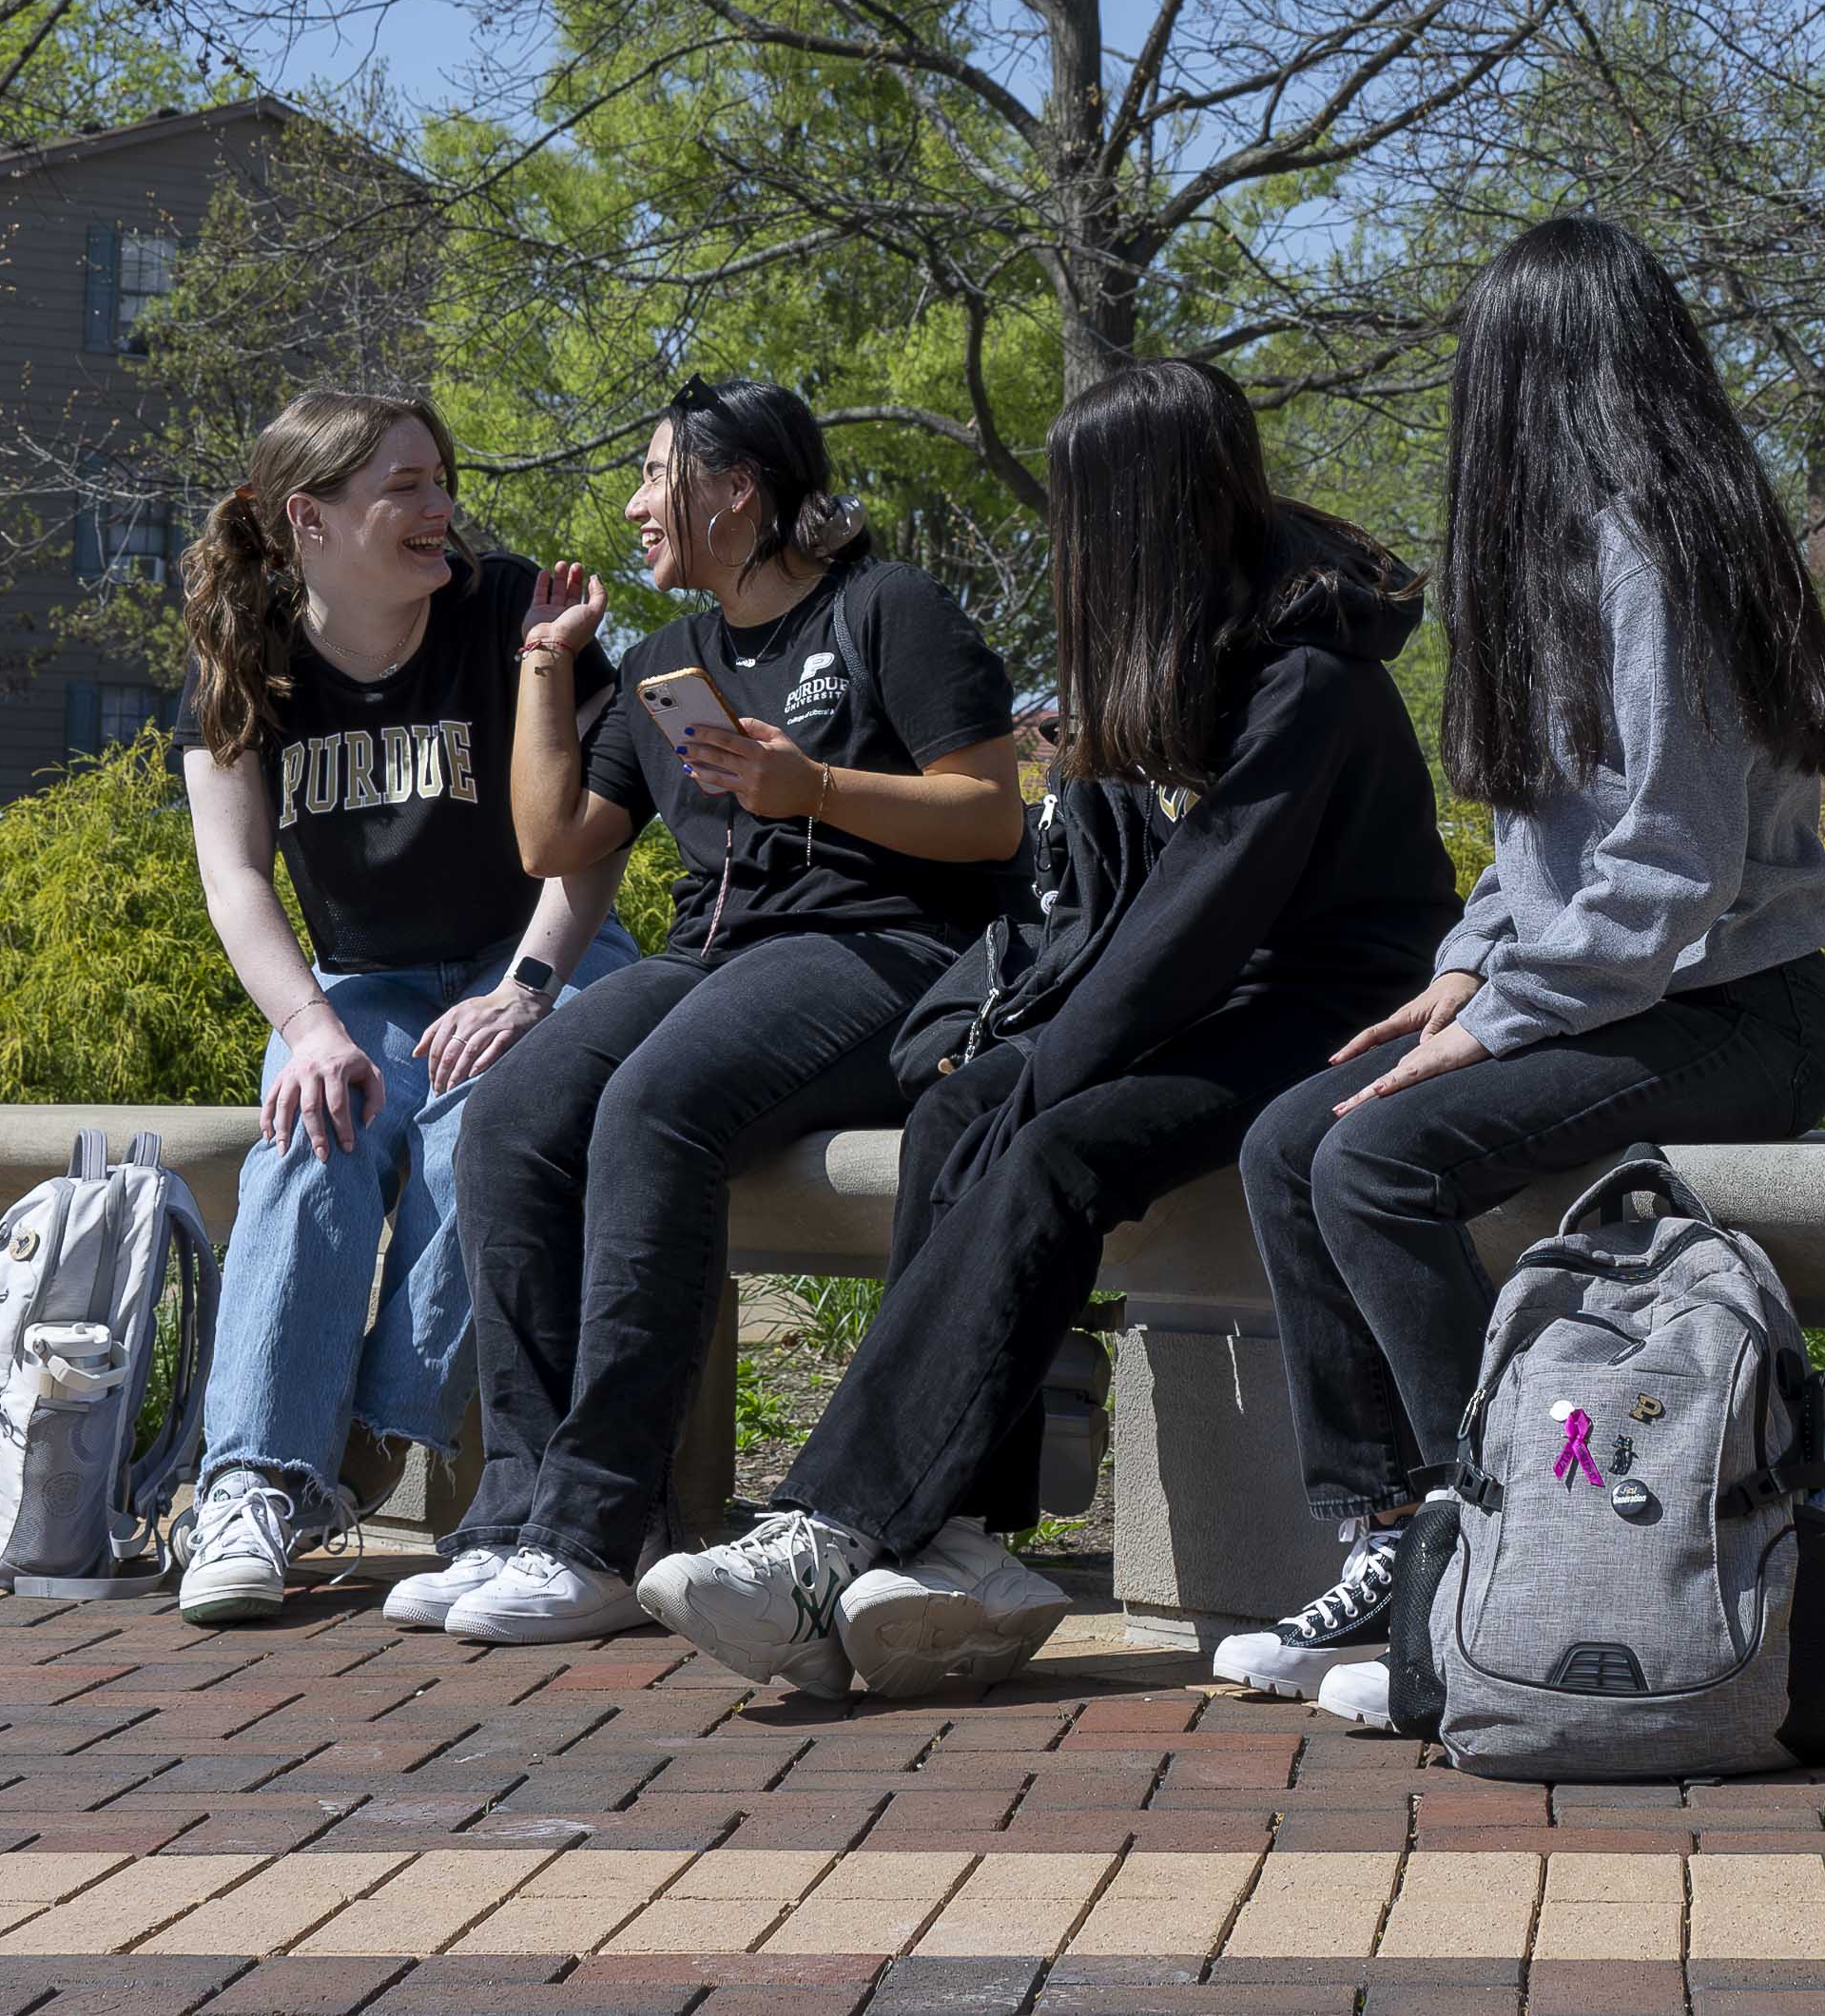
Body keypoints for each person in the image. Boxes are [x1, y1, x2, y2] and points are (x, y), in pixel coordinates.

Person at [642, 359, 1458, 1702]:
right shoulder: (1173, 653)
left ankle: (830, 1529)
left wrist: (1057, 1067)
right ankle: (961, 1534)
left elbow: (1202, 918)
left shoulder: (1304, 678)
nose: (1068, 541)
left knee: (1054, 1144)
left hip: (1330, 1007)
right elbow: (1125, 902)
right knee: (966, 1106)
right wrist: (1021, 1046)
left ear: (1141, 510)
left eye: (1081, 506)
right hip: (1224, 997)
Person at [1213, 215, 1825, 1701]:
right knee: (1285, 1140)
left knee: (1375, 1164)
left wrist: (1506, 1018)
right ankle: (1394, 1533)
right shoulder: (1574, 558)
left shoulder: (1660, 546)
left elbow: (1669, 867)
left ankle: (1485, 1566)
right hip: (1632, 990)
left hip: (1739, 1014)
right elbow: (1544, 853)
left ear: (1541, 375)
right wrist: (1464, 969)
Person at [400, 377, 1029, 1646]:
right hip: (716, 957)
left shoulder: (885, 611)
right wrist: (542, 663)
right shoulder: (662, 660)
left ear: (739, 485)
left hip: (884, 947)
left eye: (656, 472)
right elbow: (552, 838)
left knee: (656, 1103)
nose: (637, 503)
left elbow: (991, 810)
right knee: (512, 1111)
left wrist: (816, 786)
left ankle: (593, 1529)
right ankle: (521, 1510)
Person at [167, 391, 632, 1629]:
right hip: (364, 979)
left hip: (539, 945)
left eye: (442, 479)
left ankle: (373, 1431)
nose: (441, 510)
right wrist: (310, 1025)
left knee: (489, 1125)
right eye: (406, 488)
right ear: (307, 519)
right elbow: (235, 875)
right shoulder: (246, 655)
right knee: (309, 1127)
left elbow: (599, 827)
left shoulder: (506, 608)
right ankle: (253, 1481)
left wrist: (526, 988)